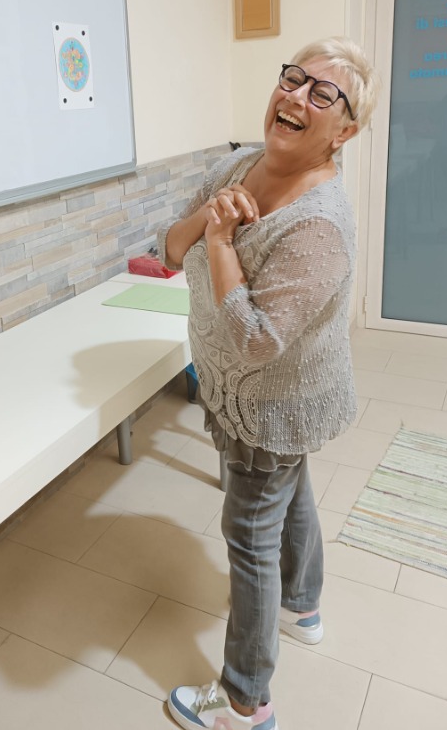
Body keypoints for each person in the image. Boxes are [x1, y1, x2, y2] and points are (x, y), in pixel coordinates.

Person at [157, 37, 380, 730]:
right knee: (290, 487)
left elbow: (256, 341)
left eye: (323, 93)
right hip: (244, 392)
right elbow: (169, 247)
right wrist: (211, 219)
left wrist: (222, 243)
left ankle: (244, 701)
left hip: (272, 399)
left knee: (250, 531)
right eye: (293, 78)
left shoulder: (320, 225)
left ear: (344, 132)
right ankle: (302, 606)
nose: (296, 96)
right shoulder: (236, 166)